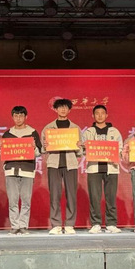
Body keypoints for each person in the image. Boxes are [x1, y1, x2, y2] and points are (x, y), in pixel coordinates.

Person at [42, 98, 82, 235]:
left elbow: (80, 152)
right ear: (56, 109)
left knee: (71, 195)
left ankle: (70, 224)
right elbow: (42, 149)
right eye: (60, 107)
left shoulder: (75, 128)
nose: (63, 110)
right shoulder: (48, 128)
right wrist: (45, 146)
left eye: (65, 107)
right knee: (54, 194)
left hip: (71, 164)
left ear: (69, 110)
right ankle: (56, 224)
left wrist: (78, 146)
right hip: (54, 164)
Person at [81, 105, 123, 234]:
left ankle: (111, 224)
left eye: (102, 113)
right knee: (95, 197)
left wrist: (117, 155)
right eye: (97, 113)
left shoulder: (114, 132)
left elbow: (120, 148)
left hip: (111, 168)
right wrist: (83, 147)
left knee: (111, 197)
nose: (100, 116)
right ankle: (96, 223)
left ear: (106, 115)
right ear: (93, 116)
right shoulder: (88, 132)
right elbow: (82, 152)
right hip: (94, 168)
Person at [1, 106, 42, 235]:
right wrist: (1, 148)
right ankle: (14, 226)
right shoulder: (8, 133)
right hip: (11, 170)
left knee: (26, 200)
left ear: (26, 117)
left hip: (27, 169)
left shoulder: (32, 132)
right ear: (12, 117)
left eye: (21, 116)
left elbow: (39, 152)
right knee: (12, 200)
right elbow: (2, 153)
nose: (18, 118)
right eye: (16, 116)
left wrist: (34, 148)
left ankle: (23, 225)